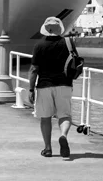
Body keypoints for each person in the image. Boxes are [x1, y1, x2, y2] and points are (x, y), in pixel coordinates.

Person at [30, 16, 78, 158]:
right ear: (60, 29)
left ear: (46, 28)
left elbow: (33, 69)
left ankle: (48, 148)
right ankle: (63, 135)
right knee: (65, 115)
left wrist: (31, 89)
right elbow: (76, 62)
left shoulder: (39, 45)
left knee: (45, 118)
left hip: (44, 85)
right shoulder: (68, 43)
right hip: (64, 83)